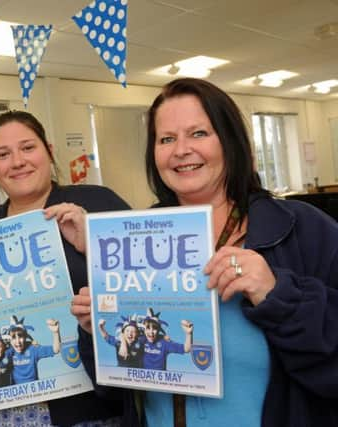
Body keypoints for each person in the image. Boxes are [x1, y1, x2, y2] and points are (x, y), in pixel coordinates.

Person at [73, 78, 338, 426]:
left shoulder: (302, 228)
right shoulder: (133, 240)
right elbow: (115, 391)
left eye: (198, 133)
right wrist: (99, 332)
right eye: (166, 139)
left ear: (230, 141)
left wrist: (277, 294)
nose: (181, 149)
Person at [0, 110, 139, 427]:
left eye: (27, 147)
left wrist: (90, 242)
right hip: (8, 409)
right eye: (3, 154)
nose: (17, 161)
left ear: (48, 151)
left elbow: (146, 286)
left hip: (92, 405)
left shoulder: (98, 203)